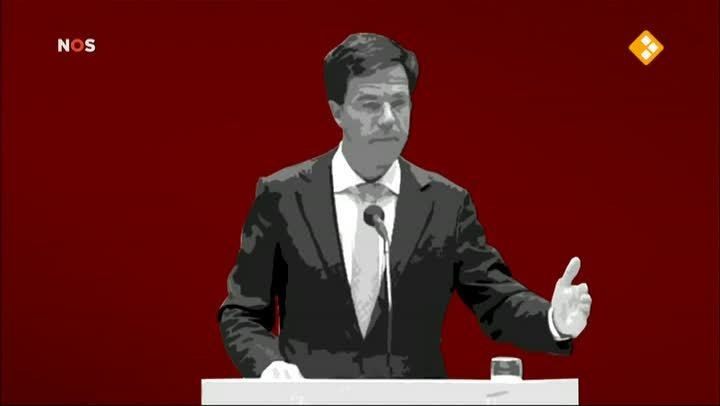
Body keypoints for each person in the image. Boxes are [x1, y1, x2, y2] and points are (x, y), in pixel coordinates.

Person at [218, 33, 592, 379]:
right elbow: (242, 311)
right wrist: (270, 366)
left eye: (399, 103)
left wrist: (553, 320)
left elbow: (495, 299)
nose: (388, 119)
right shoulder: (283, 196)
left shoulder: (446, 203)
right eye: (370, 104)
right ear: (337, 111)